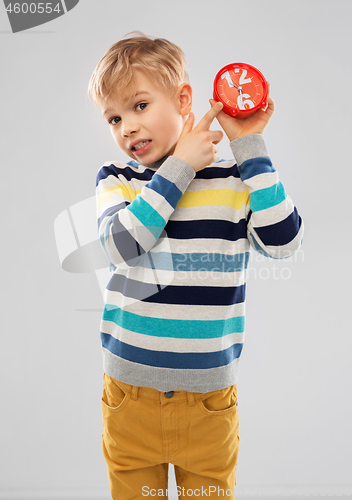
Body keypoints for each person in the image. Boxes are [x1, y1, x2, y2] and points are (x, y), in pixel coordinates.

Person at [88, 31, 304, 499]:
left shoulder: (234, 180)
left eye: (139, 106)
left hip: (208, 403)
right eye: (114, 117)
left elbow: (284, 242)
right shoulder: (118, 179)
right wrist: (179, 167)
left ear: (183, 99)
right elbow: (123, 245)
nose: (126, 126)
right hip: (130, 395)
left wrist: (250, 148)